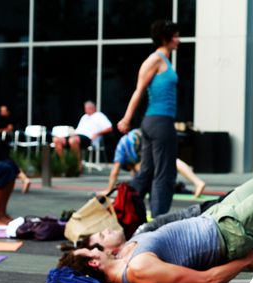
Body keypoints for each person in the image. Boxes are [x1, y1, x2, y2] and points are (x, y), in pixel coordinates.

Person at [58, 168, 253, 283]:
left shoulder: (124, 253)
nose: (97, 247)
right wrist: (246, 259)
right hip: (227, 232)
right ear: (94, 261)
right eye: (92, 249)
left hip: (216, 216)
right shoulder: (138, 270)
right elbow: (208, 281)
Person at [117, 20, 180, 217]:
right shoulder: (156, 59)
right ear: (166, 38)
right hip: (160, 122)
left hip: (154, 122)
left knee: (148, 171)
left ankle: (124, 207)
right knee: (164, 173)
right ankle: (158, 222)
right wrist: (126, 119)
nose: (179, 39)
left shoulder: (164, 60)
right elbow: (139, 91)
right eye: (176, 36)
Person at [101, 128, 206, 198]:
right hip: (154, 132)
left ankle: (197, 182)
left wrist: (109, 190)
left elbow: (115, 171)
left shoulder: (121, 149)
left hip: (146, 137)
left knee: (169, 161)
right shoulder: (131, 148)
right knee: (169, 160)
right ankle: (197, 182)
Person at [52, 101, 113, 169]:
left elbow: (109, 128)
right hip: (76, 135)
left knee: (73, 140)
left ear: (92, 108)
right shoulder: (84, 117)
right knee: (56, 140)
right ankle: (64, 164)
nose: (85, 110)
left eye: (87, 108)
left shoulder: (99, 116)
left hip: (88, 138)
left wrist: (97, 134)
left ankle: (77, 165)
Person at [0, 105, 31, 193]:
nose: (2, 112)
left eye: (4, 110)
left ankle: (23, 178)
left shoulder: (10, 119)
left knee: (5, 162)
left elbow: (9, 129)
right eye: (1, 110)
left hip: (4, 141)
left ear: (8, 111)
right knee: (7, 161)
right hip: (0, 143)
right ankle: (23, 178)